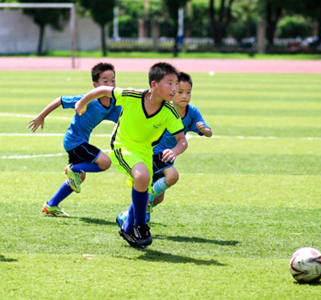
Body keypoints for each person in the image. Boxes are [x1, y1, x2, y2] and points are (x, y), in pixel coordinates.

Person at [74, 62, 188, 248]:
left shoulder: (169, 111)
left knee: (143, 183)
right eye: (169, 83)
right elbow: (103, 89)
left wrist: (174, 151)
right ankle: (140, 226)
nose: (175, 88)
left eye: (176, 83)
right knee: (142, 177)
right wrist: (82, 102)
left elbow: (182, 140)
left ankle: (127, 229)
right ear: (154, 85)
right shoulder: (132, 96)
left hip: (145, 152)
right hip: (122, 146)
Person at [28, 62, 121, 217]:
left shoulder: (113, 104)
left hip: (79, 141)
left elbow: (125, 118)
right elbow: (61, 100)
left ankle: (51, 205)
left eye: (113, 80)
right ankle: (73, 169)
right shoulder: (88, 100)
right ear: (95, 85)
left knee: (79, 179)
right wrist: (41, 116)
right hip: (74, 141)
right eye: (105, 81)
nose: (110, 84)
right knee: (105, 163)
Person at [118, 71, 212, 224]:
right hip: (153, 151)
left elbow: (208, 132)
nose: (184, 96)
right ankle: (135, 213)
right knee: (172, 176)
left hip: (168, 155)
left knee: (158, 197)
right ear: (172, 92)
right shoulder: (165, 109)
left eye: (188, 92)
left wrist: (204, 130)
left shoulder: (192, 111)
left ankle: (127, 215)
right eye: (180, 92)